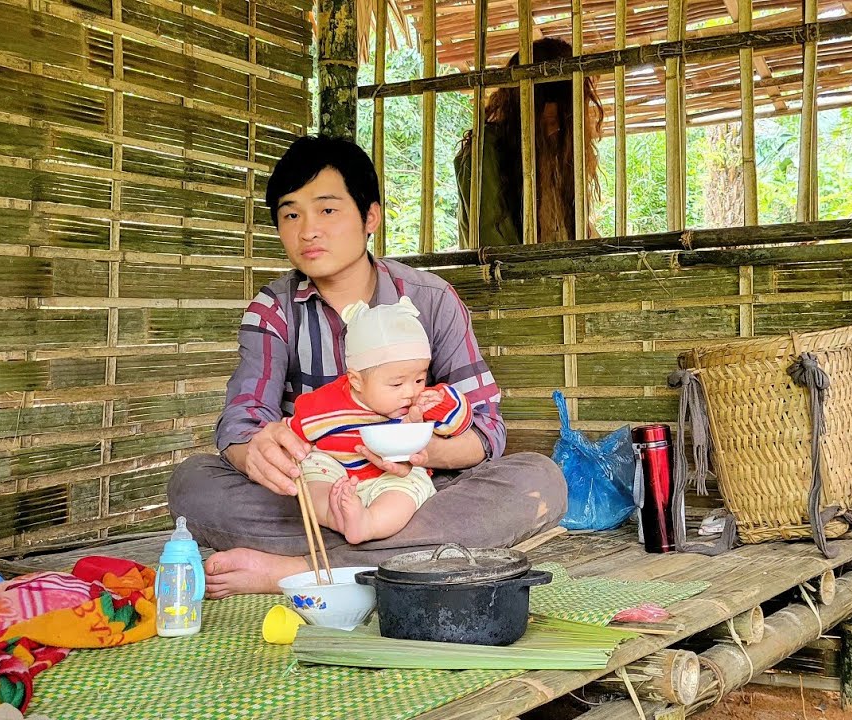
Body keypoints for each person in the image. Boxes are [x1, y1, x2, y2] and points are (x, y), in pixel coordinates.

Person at [167, 134, 567, 598]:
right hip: (315, 489)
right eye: (290, 214)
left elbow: (486, 431)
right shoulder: (274, 309)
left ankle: (295, 570)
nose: (308, 230)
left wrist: (423, 454)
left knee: (539, 480)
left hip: (415, 494)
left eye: (328, 210)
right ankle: (398, 561)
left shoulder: (430, 299)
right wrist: (256, 451)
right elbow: (242, 422)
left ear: (370, 216)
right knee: (192, 483)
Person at [288, 297, 473, 545]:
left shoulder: (421, 402)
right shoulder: (322, 406)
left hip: (393, 477)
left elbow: (459, 424)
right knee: (311, 471)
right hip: (338, 475)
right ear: (355, 381)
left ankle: (369, 524)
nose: (410, 391)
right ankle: (335, 517)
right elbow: (292, 436)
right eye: (397, 383)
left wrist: (440, 403)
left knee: (410, 485)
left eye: (418, 379)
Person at [454, 36, 605, 248]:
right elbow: (493, 247)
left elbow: (571, 232)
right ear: (522, 109)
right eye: (548, 122)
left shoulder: (560, 155)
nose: (553, 130)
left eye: (561, 124)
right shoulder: (484, 151)